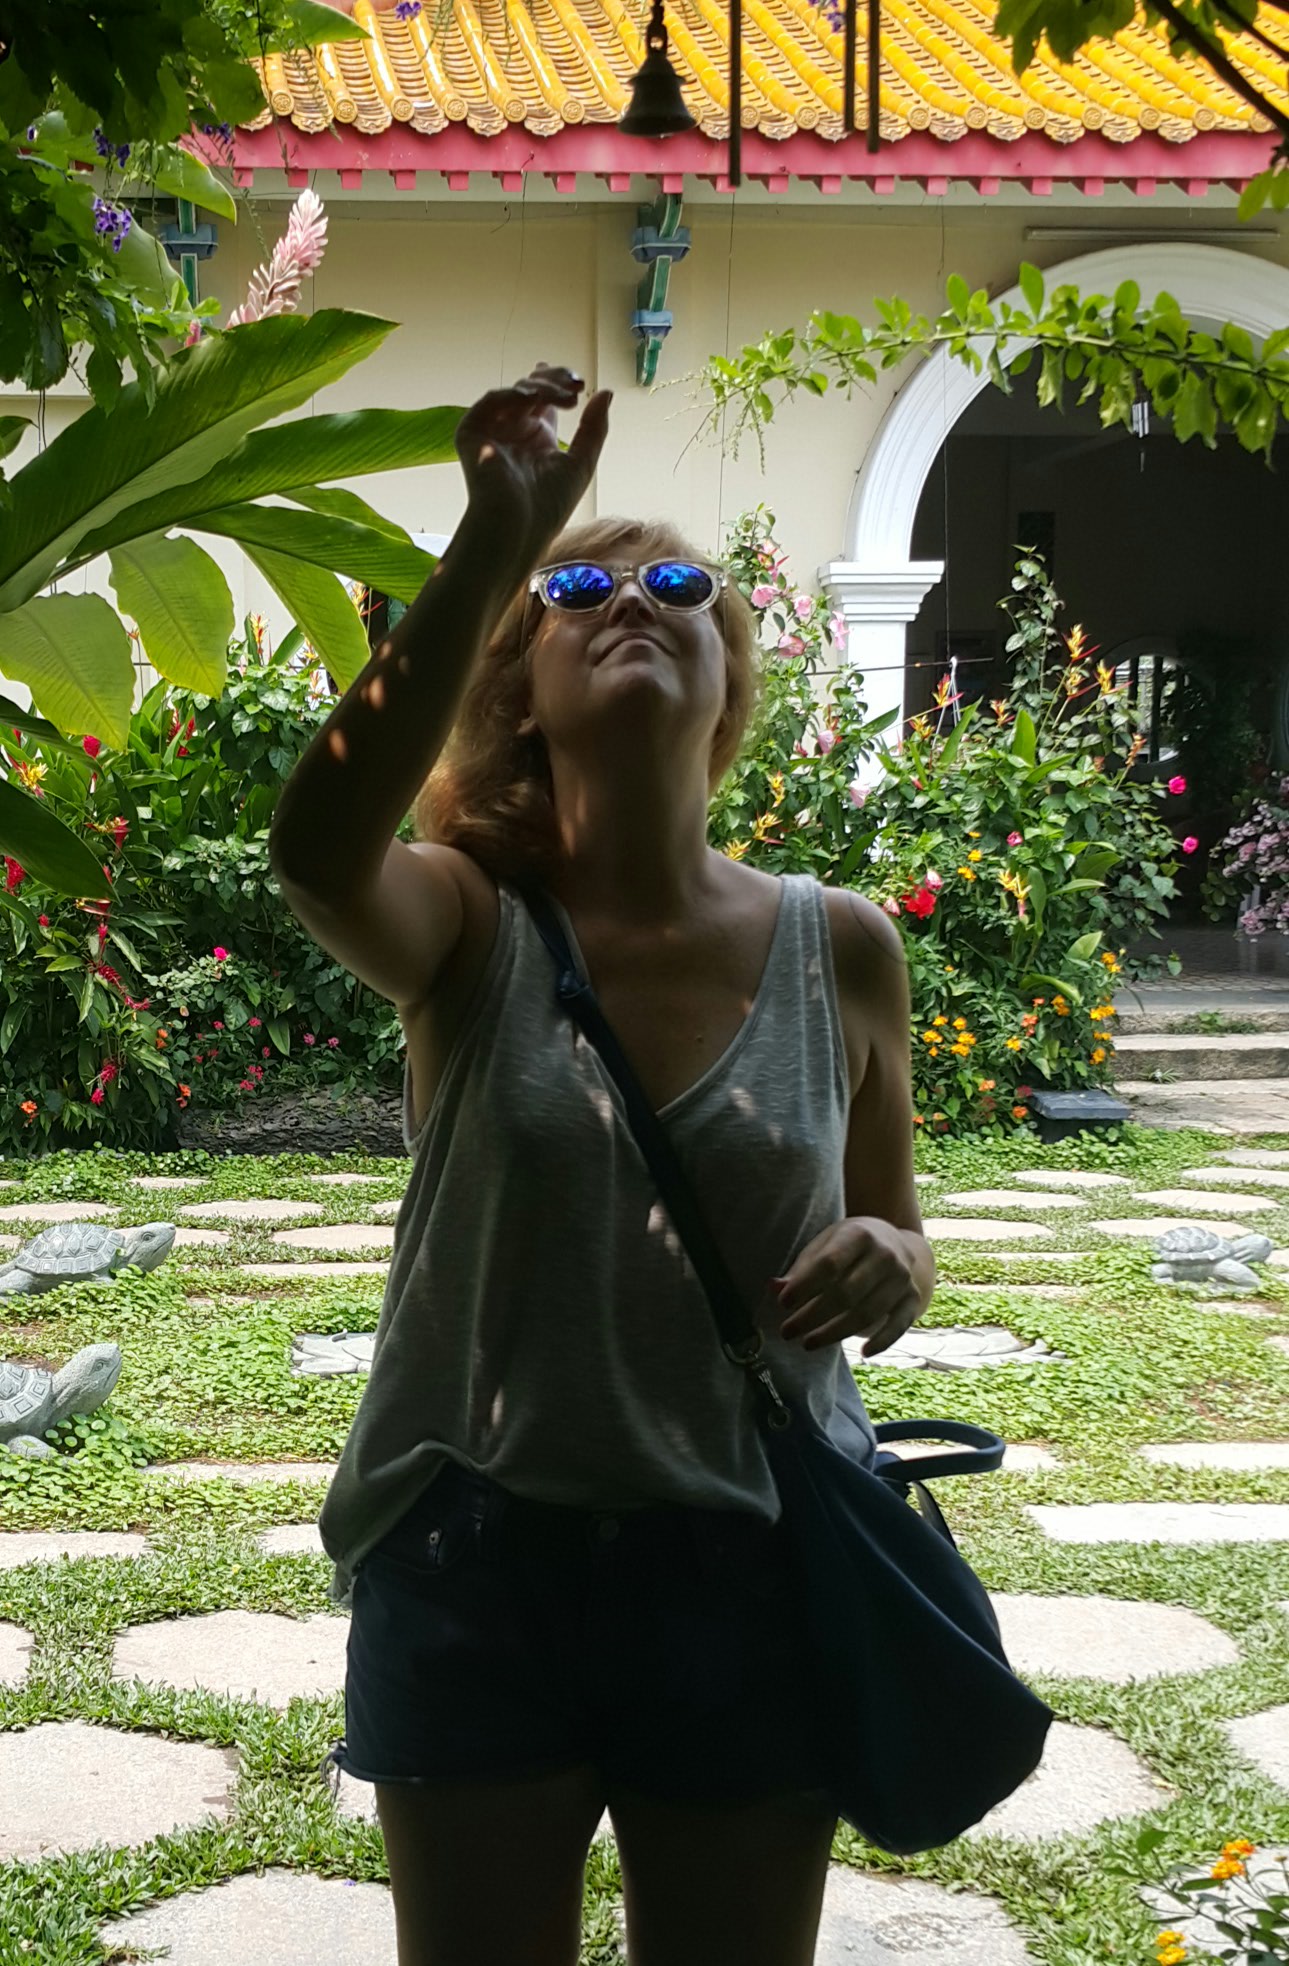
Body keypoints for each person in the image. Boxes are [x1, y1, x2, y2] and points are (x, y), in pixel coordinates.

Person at [269, 362, 935, 1966]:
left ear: (727, 681)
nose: (631, 599)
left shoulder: (840, 945)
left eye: (678, 588)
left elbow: (900, 1236)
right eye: (579, 592)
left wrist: (889, 1262)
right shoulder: (465, 922)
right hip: (476, 1561)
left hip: (751, 1555)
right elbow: (315, 853)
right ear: (518, 687)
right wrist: (499, 538)